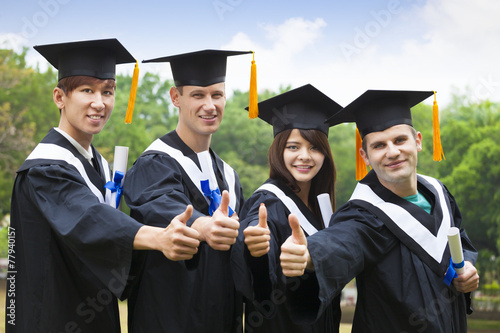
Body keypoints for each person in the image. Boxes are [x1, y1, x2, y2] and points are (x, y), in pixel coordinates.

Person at [6, 39, 200, 333]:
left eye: (107, 91)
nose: (100, 102)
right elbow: (88, 219)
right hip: (52, 316)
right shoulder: (45, 169)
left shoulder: (97, 165)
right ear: (60, 97)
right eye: (87, 90)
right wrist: (157, 237)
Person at [280, 90, 480, 333]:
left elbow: (461, 238)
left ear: (417, 141)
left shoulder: (440, 193)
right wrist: (309, 255)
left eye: (399, 140)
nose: (392, 152)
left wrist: (466, 267)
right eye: (379, 145)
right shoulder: (363, 215)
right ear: (365, 155)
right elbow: (341, 243)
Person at [123, 49, 251, 332]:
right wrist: (202, 225)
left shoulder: (228, 176)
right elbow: (160, 203)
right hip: (169, 319)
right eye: (198, 95)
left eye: (217, 95)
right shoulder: (155, 163)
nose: (210, 105)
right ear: (175, 97)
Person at [231, 84, 343, 332]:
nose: (305, 156)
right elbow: (258, 273)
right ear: (278, 151)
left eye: (315, 147)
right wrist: (255, 250)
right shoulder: (267, 202)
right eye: (293, 147)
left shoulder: (324, 209)